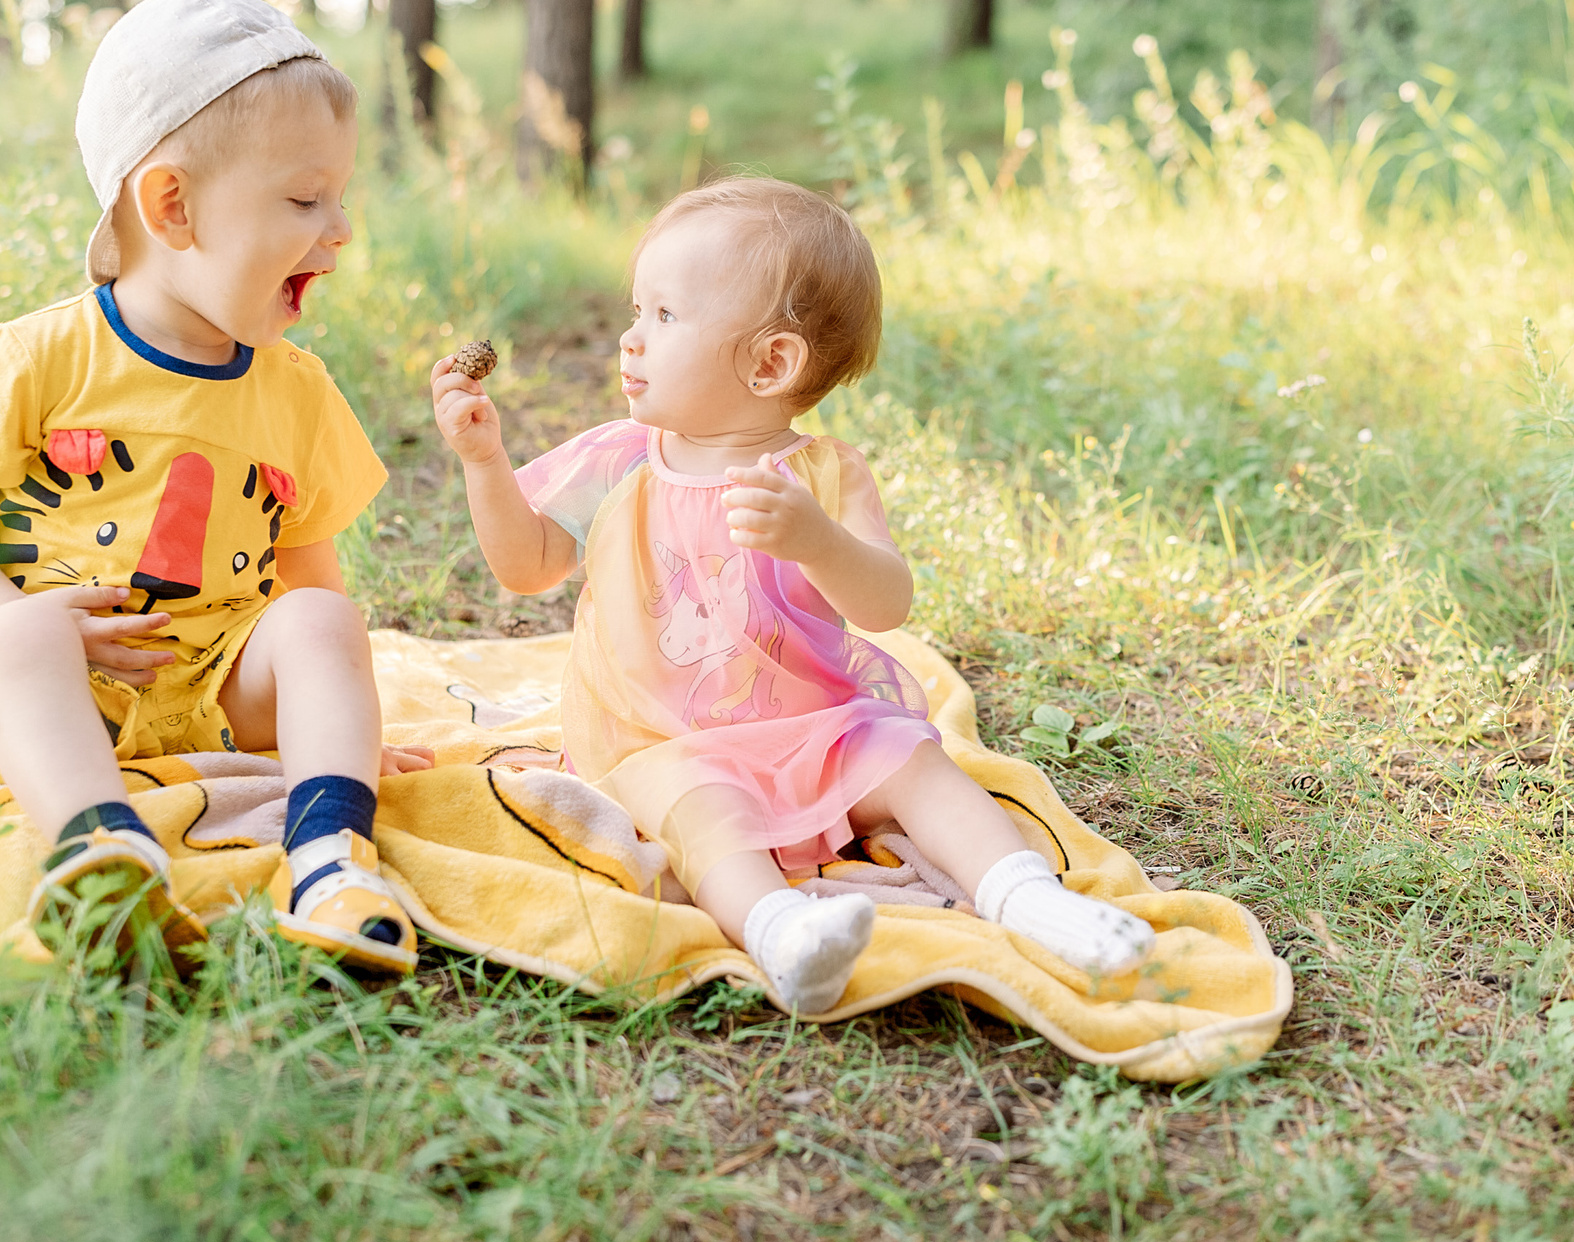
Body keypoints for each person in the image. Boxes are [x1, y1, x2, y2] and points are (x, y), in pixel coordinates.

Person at [430, 177, 1154, 1014]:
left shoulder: (819, 477)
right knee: (699, 816)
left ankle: (1029, 898)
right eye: (638, 312)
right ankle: (780, 931)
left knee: (914, 761)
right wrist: (485, 465)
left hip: (815, 727)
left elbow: (885, 603)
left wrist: (817, 540)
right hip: (661, 740)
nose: (630, 341)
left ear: (771, 362)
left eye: (663, 317)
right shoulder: (620, 459)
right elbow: (528, 567)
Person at [0, 0, 431, 975]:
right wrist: (16, 618)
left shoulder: (296, 391)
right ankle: (103, 852)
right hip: (58, 685)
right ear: (171, 205)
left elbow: (308, 575)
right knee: (10, 642)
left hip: (218, 688)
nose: (341, 227)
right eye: (306, 199)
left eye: (341, 198)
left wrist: (338, 730)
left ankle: (330, 853)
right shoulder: (41, 355)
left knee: (321, 623)